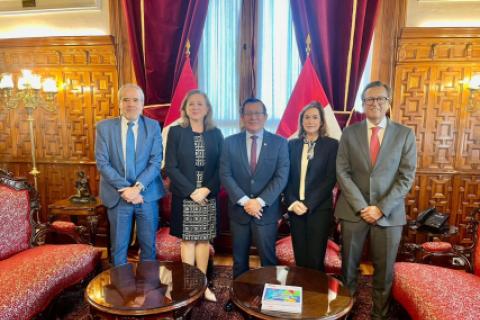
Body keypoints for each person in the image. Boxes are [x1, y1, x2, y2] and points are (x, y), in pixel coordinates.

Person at [335, 81, 417, 319]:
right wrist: (363, 207)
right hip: (353, 211)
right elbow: (342, 172)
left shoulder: (404, 134)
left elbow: (406, 176)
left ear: (388, 103)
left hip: (389, 214)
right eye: (369, 99)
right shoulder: (349, 133)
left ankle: (379, 315)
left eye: (380, 99)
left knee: (384, 272)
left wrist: (380, 208)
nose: (375, 103)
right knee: (348, 268)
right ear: (363, 104)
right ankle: (346, 312)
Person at [95, 83, 165, 266]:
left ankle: (147, 290)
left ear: (142, 104)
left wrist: (137, 188)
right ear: (119, 103)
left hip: (146, 195)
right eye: (126, 99)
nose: (131, 104)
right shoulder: (104, 128)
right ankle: (122, 291)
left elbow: (156, 162)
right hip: (118, 196)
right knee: (118, 249)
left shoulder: (153, 127)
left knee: (148, 248)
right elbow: (103, 163)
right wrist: (126, 190)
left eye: (136, 100)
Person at [220, 97, 289, 279]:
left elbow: (281, 177)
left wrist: (258, 202)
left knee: (268, 259)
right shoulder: (229, 142)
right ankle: (239, 297)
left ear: (265, 116)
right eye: (248, 113)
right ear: (242, 117)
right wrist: (245, 202)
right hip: (238, 211)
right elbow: (225, 174)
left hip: (265, 212)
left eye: (257, 112)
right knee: (239, 259)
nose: (253, 117)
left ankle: (269, 299)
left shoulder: (280, 143)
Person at [165, 90, 223, 302]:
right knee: (188, 241)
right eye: (191, 104)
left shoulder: (216, 133)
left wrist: (206, 189)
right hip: (185, 195)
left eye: (200, 104)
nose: (196, 107)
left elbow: (222, 167)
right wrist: (192, 191)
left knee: (203, 241)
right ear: (185, 108)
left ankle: (202, 285)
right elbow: (171, 166)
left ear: (207, 109)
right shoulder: (176, 132)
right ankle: (188, 286)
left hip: (208, 195)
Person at [284, 101, 338, 271]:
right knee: (300, 257)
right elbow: (285, 177)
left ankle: (315, 295)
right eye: (307, 117)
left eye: (315, 117)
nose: (310, 121)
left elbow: (330, 179)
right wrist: (292, 202)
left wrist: (309, 204)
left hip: (319, 209)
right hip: (296, 208)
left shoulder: (332, 145)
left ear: (322, 121)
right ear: (301, 121)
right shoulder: (291, 145)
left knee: (315, 258)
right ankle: (300, 291)